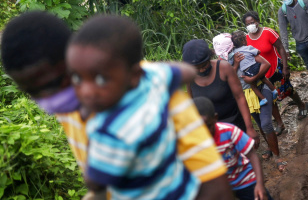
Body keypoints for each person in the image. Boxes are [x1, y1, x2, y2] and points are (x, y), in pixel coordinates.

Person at [1, 11, 232, 200]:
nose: (48, 99)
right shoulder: (69, 105)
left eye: (52, 84)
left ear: (71, 60)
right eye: (32, 92)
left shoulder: (147, 87)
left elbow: (214, 186)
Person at [214, 33, 287, 172]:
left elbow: (265, 64)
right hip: (245, 95)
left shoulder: (244, 51)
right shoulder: (224, 62)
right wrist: (235, 64)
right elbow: (228, 80)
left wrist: (252, 78)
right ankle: (270, 148)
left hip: (259, 87)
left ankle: (278, 156)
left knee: (266, 124)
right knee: (260, 124)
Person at [182, 39, 260, 147]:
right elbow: (191, 105)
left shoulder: (224, 68)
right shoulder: (189, 77)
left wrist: (249, 128)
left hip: (234, 125)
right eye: (196, 68)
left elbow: (240, 97)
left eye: (204, 65)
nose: (201, 70)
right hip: (210, 131)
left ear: (209, 58)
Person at [193, 97, 274, 200]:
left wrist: (260, 184)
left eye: (208, 126)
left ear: (215, 118)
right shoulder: (192, 144)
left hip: (244, 177)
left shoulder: (229, 131)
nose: (205, 132)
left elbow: (252, 156)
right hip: (219, 186)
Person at [242, 11, 308, 123]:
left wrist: (285, 67)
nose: (250, 25)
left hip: (275, 68)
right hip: (261, 73)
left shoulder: (268, 32)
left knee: (287, 89)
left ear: (257, 21)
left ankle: (301, 105)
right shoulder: (246, 39)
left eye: (252, 22)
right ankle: (279, 123)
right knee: (269, 98)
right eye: (247, 24)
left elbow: (281, 48)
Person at [213, 32, 277, 106]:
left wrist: (252, 78)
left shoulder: (237, 53)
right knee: (264, 79)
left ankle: (264, 98)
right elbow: (226, 78)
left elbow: (266, 64)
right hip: (248, 83)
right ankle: (273, 90)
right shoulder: (247, 48)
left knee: (254, 86)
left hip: (254, 80)